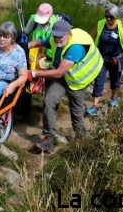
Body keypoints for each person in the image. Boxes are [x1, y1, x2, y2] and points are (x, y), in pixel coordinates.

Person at [28, 20, 103, 153]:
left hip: (78, 80)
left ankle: (80, 139)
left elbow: (58, 73)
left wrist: (34, 73)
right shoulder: (54, 39)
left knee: (76, 110)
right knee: (49, 100)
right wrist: (22, 46)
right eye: (55, 35)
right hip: (63, 77)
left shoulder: (75, 48)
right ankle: (48, 138)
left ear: (68, 34)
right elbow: (39, 43)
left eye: (60, 36)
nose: (57, 39)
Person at [87, 5, 123, 114]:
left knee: (115, 81)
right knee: (98, 81)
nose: (108, 19)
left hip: (116, 60)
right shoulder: (100, 24)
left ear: (116, 17)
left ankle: (114, 96)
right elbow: (90, 37)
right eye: (106, 16)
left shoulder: (121, 26)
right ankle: (95, 106)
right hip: (101, 59)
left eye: (111, 17)